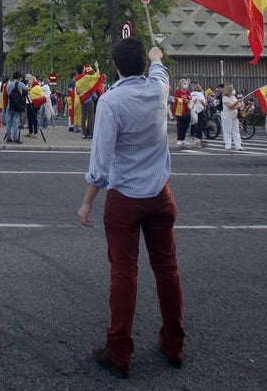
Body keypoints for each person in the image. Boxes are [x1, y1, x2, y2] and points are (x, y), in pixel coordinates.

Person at [77, 39, 184, 379]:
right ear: (143, 63)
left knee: (124, 272)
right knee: (167, 269)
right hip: (160, 194)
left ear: (115, 65)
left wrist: (88, 200)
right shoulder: (158, 90)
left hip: (125, 197)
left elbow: (102, 158)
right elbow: (160, 69)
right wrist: (156, 56)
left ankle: (119, 350)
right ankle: (174, 342)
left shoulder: (110, 101)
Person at [5, 72, 28, 144]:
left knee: (9, 123)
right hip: (17, 106)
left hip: (10, 105)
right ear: (19, 77)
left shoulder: (9, 85)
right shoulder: (21, 84)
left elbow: (7, 93)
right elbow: (28, 89)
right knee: (15, 122)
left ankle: (8, 137)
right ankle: (16, 138)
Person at [219, 83, 242, 151]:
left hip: (234, 116)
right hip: (227, 116)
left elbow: (239, 105)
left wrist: (236, 104)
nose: (232, 90)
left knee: (236, 131)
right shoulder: (225, 98)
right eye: (231, 89)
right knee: (227, 131)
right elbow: (230, 106)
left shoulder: (233, 97)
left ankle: (238, 146)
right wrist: (237, 102)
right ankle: (227, 146)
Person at [172, 78, 192, 148]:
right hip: (180, 111)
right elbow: (177, 100)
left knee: (186, 125)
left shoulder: (187, 92)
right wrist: (184, 101)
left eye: (186, 83)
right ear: (181, 84)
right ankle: (179, 139)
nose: (186, 85)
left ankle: (183, 138)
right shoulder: (178, 92)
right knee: (180, 125)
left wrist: (189, 101)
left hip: (187, 110)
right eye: (184, 83)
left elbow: (190, 99)